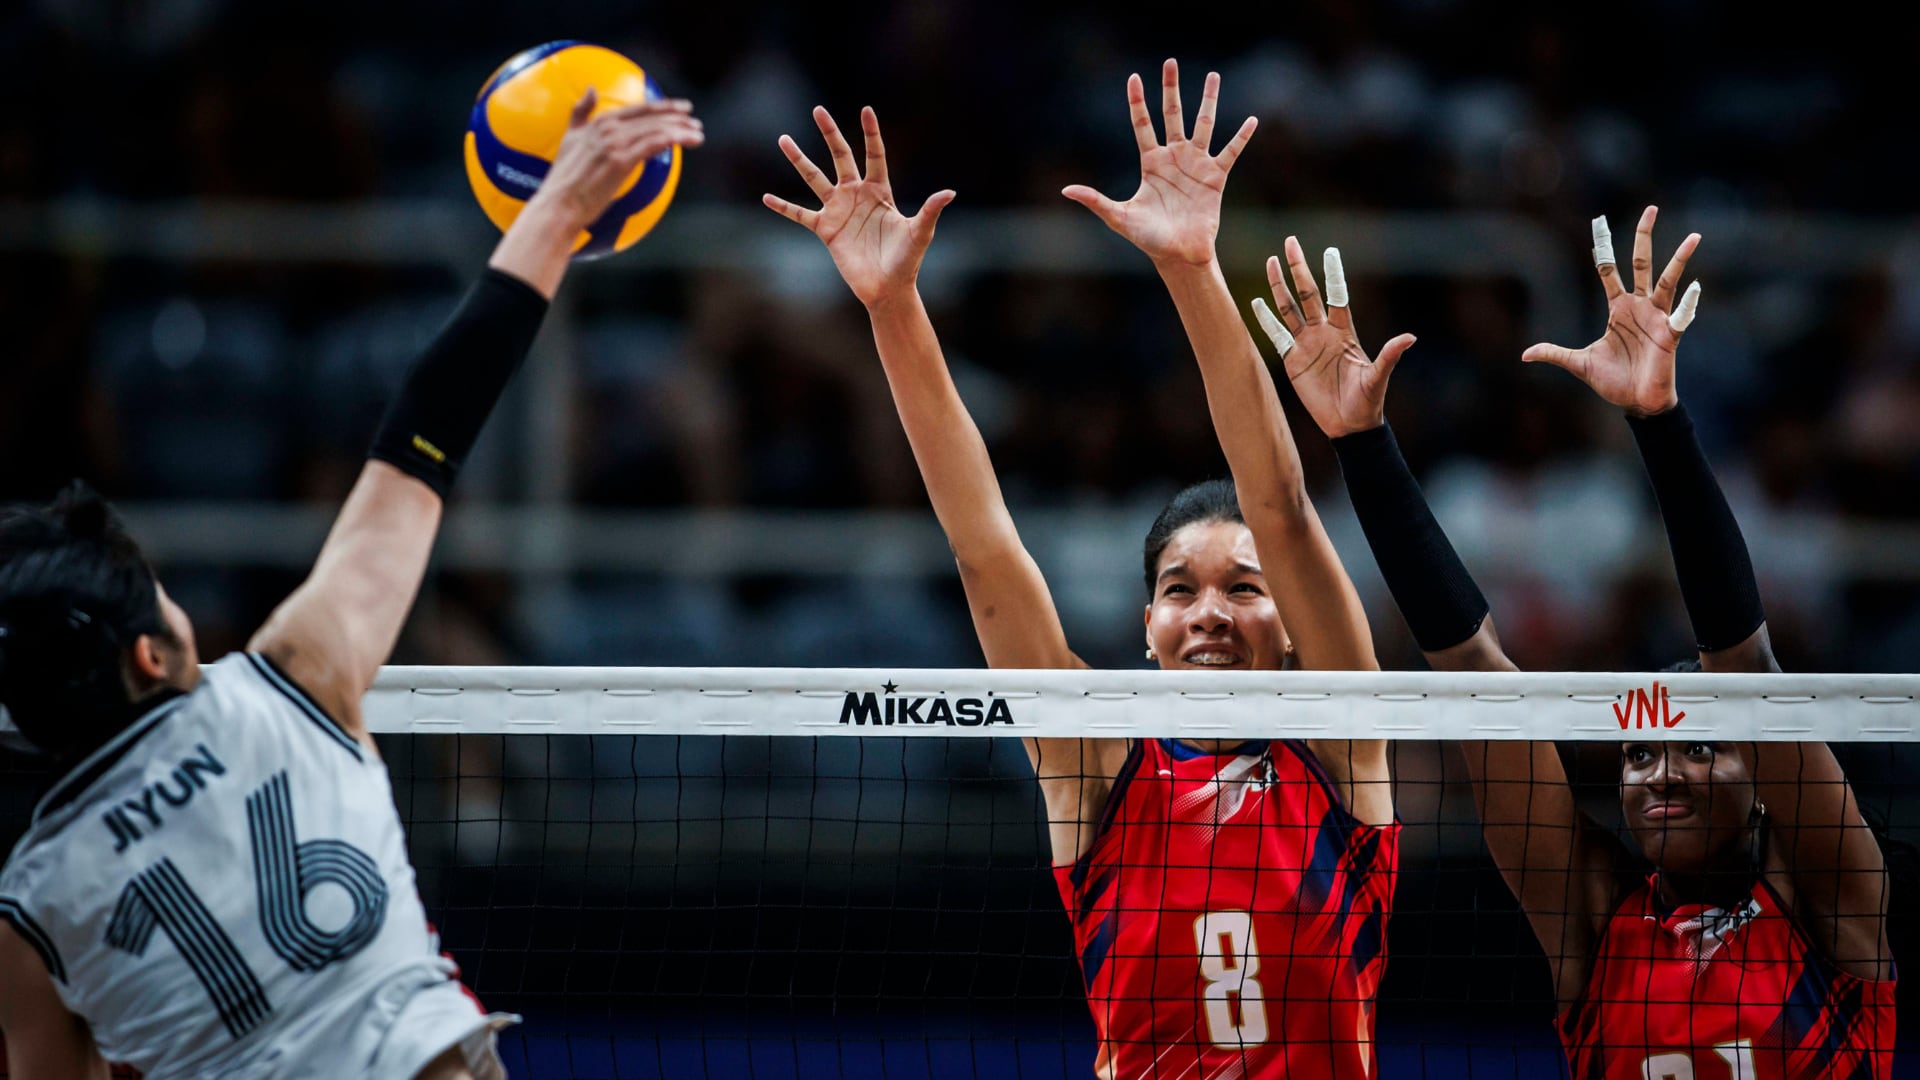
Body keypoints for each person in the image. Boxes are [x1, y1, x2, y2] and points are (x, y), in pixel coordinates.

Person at [0, 92, 704, 1080]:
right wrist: (552, 216)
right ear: (148, 654)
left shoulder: (30, 908)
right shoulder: (289, 685)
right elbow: (424, 436)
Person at [764, 61, 1396, 1079]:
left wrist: (1193, 269)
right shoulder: (1097, 766)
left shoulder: (1343, 753)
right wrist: (892, 307)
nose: (1211, 615)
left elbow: (1279, 504)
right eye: (1180, 591)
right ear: (1144, 629)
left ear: (1289, 625)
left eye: (1243, 587)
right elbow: (984, 548)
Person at [1256, 205, 1894, 1077]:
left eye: (1698, 746)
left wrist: (1660, 423)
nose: (1661, 772)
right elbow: (1476, 674)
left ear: (1762, 783)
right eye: (1640, 755)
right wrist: (1361, 445)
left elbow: (1744, 664)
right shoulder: (1591, 920)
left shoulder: (1832, 907)